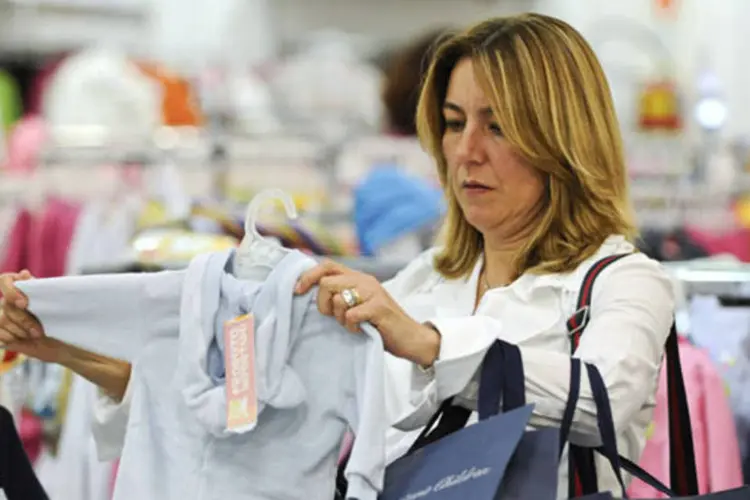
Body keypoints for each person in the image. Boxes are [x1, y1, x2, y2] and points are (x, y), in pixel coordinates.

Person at [0, 13, 674, 497]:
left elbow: (605, 400)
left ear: (559, 136)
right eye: (452, 122)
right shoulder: (425, 280)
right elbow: (255, 419)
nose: (466, 150)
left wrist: (427, 343)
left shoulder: (620, 282)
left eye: (497, 126)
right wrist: (64, 347)